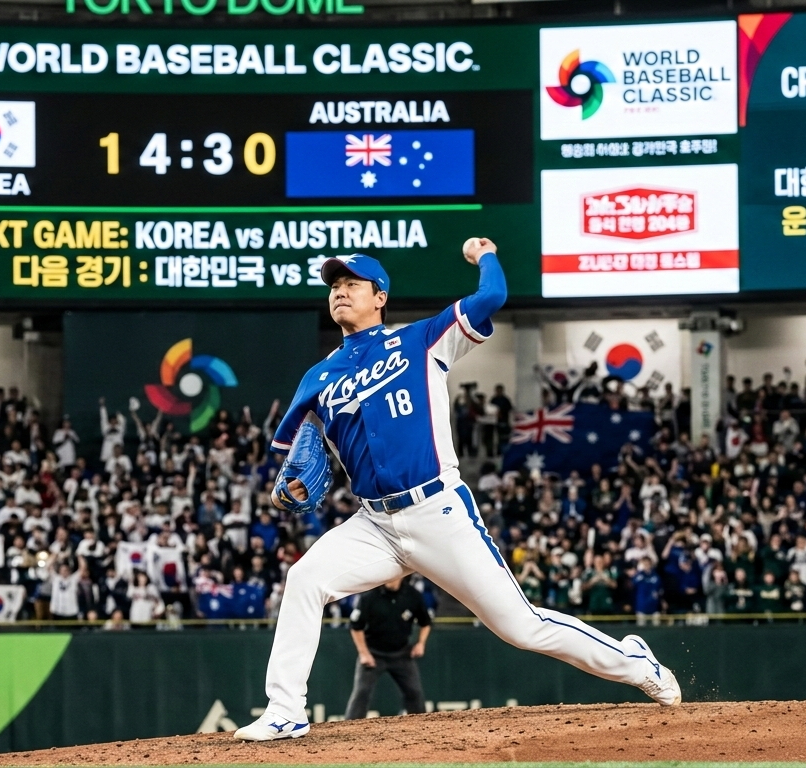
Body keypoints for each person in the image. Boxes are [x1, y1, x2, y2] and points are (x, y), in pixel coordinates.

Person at [232, 239, 680, 743]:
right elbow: (296, 458)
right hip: (374, 524)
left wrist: (486, 254)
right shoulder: (318, 377)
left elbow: (492, 297)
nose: (340, 291)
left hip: (437, 511)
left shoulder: (421, 340)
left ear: (380, 296)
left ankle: (635, 662)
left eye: (352, 283)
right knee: (304, 579)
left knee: (521, 627)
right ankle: (285, 710)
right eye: (335, 285)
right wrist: (285, 492)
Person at [344, 576, 432, 720]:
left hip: (402, 654)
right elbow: (355, 626)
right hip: (374, 654)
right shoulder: (369, 596)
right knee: (362, 692)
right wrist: (364, 653)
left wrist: (421, 643)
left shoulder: (412, 595)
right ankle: (349, 727)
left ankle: (422, 726)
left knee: (414, 692)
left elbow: (426, 622)